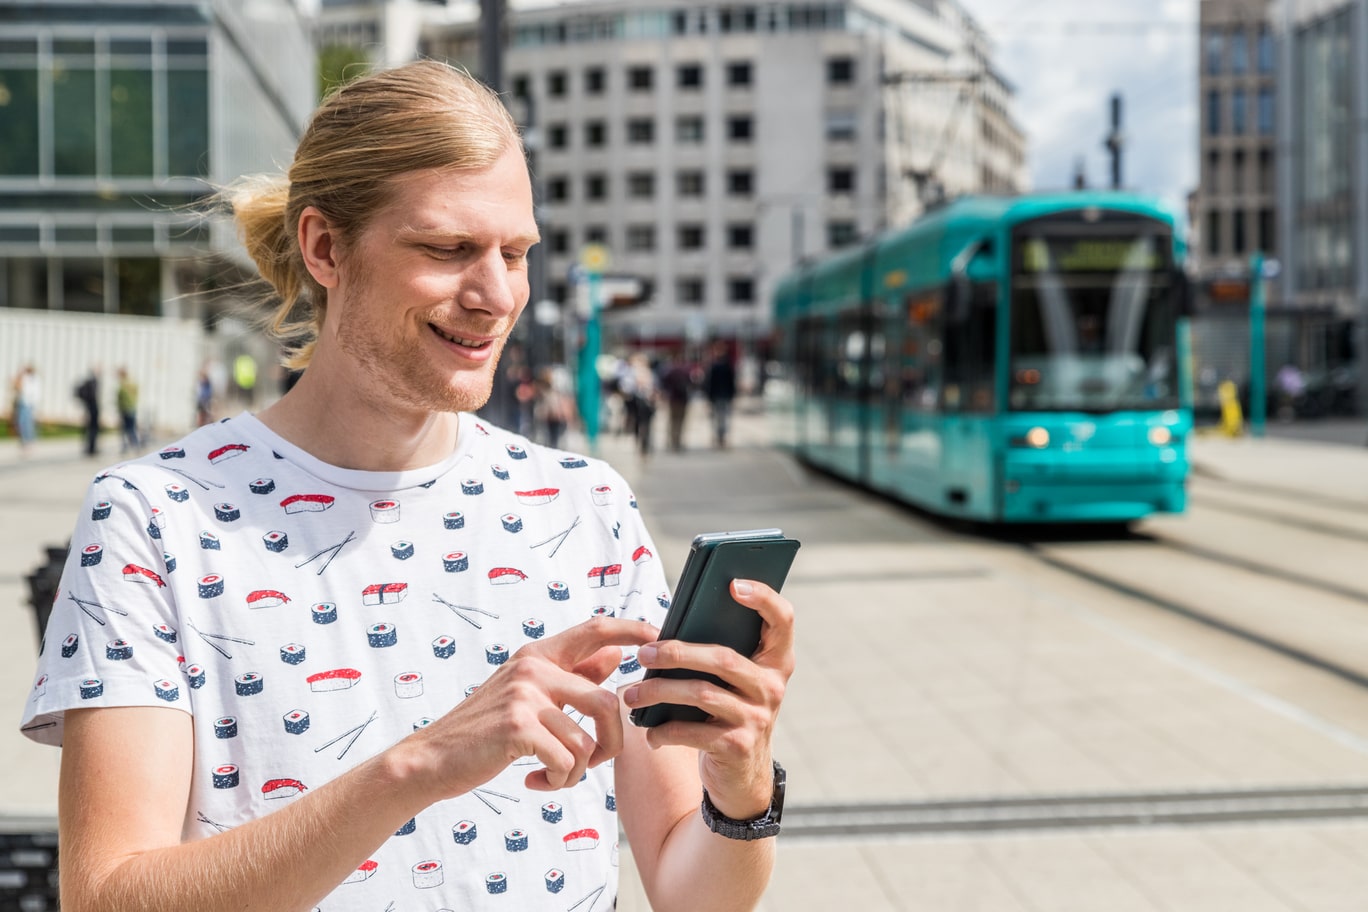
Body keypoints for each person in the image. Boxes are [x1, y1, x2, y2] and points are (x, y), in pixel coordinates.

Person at [20, 60, 794, 912]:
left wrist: (742, 786)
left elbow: (694, 894)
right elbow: (107, 897)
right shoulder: (155, 518)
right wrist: (420, 765)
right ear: (324, 247)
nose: (497, 294)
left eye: (516, 252)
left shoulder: (588, 506)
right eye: (447, 248)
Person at [704, 341, 738, 449]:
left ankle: (720, 438)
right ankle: (721, 438)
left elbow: (709, 383)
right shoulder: (725, 365)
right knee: (722, 418)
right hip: (723, 395)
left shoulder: (716, 366)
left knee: (719, 418)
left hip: (719, 395)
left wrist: (709, 396)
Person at [11, 363, 39, 455]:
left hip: (28, 403)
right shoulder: (24, 378)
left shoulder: (33, 379)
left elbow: (30, 391)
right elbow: (16, 387)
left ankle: (29, 441)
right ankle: (24, 441)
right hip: (22, 402)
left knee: (27, 423)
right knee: (21, 423)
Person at [73, 366, 101, 457]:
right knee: (93, 429)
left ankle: (90, 447)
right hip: (92, 408)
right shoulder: (93, 382)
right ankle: (91, 448)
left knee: (90, 429)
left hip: (89, 407)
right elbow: (93, 395)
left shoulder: (89, 382)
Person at [116, 366, 140, 453]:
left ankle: (125, 447)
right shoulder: (133, 383)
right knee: (132, 428)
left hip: (125, 409)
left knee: (125, 429)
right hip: (132, 408)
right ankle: (136, 445)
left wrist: (120, 407)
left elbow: (121, 398)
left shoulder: (123, 385)